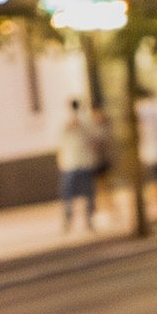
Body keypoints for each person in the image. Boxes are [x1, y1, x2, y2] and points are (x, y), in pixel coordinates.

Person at [55, 100, 99, 235]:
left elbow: (93, 137)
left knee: (84, 192)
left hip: (79, 161)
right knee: (73, 193)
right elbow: (60, 139)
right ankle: (73, 220)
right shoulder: (65, 121)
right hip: (72, 162)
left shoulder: (84, 120)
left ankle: (87, 219)